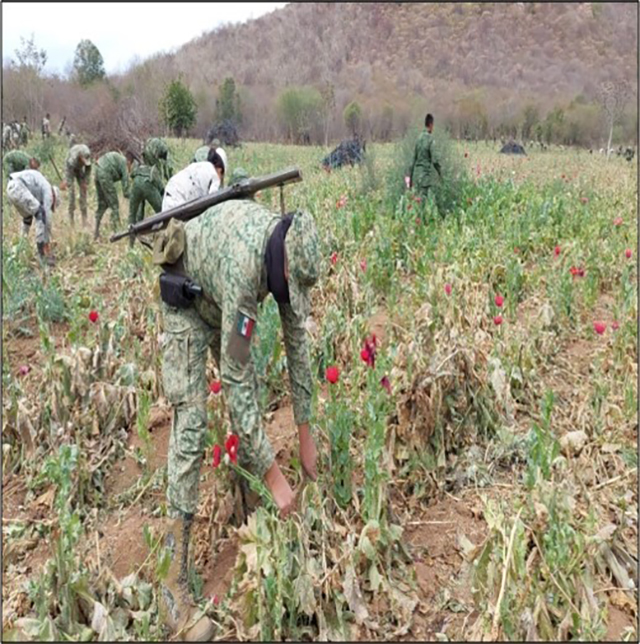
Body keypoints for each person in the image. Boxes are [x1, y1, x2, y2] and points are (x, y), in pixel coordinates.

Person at [153, 201, 320, 640]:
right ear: (281, 266)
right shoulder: (248, 272)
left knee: (250, 392)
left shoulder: (281, 255)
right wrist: (275, 474)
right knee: (192, 426)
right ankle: (172, 582)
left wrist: (306, 432)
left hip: (216, 299)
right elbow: (234, 377)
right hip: (187, 303)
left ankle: (248, 504)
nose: (291, 299)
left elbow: (298, 344)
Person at [6, 168, 59, 264]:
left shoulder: (40, 185)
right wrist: (46, 241)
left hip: (10, 188)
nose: (51, 206)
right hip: (18, 186)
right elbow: (46, 217)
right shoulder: (49, 191)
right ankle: (41, 255)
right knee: (41, 213)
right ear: (54, 197)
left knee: (27, 218)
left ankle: (20, 249)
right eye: (52, 205)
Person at [161, 148, 226, 210]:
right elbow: (212, 199)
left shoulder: (199, 165)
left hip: (169, 192)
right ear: (220, 170)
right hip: (180, 200)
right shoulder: (215, 176)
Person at [127, 152, 165, 247]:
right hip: (148, 185)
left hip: (135, 184)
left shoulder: (138, 169)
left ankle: (131, 244)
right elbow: (161, 189)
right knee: (162, 212)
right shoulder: (154, 170)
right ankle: (161, 238)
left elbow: (132, 175)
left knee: (132, 214)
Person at [93, 150, 130, 239]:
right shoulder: (124, 163)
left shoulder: (119, 159)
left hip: (97, 169)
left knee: (102, 204)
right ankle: (116, 231)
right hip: (105, 173)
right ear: (130, 162)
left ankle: (96, 232)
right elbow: (126, 191)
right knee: (114, 205)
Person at [409, 113, 442, 204]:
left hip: (416, 177)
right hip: (425, 178)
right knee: (424, 203)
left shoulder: (418, 139)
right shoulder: (430, 139)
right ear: (431, 125)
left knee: (415, 204)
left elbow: (412, 161)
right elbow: (435, 160)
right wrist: (440, 173)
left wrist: (410, 181)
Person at [64, 143, 92, 226]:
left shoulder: (87, 153)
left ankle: (84, 220)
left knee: (83, 192)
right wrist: (67, 182)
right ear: (80, 156)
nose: (85, 162)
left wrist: (85, 182)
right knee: (71, 194)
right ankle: (71, 220)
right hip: (70, 168)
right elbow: (69, 172)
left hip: (79, 169)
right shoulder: (72, 158)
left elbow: (88, 168)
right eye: (83, 161)